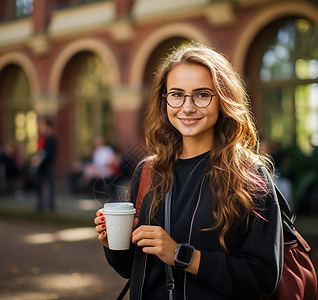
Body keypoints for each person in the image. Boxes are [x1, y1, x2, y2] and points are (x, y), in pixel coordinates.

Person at [94, 42, 283, 299]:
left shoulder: (249, 176)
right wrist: (114, 245)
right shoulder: (148, 171)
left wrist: (182, 255)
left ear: (223, 100)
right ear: (165, 100)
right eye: (177, 94)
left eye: (202, 94)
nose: (188, 106)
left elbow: (262, 278)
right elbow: (134, 270)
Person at [32, 118, 56, 212]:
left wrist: (38, 160)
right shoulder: (44, 138)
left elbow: (46, 153)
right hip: (42, 166)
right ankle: (42, 204)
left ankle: (49, 205)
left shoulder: (50, 139)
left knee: (49, 185)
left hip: (46, 165)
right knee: (41, 184)